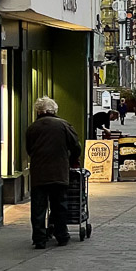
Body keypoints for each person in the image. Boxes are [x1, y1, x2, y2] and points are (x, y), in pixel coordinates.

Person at [26, 96, 81, 249]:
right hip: (59, 172)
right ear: (54, 110)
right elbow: (76, 146)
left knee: (38, 208)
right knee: (59, 205)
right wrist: (71, 159)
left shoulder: (32, 128)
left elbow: (29, 149)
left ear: (38, 111)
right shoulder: (63, 125)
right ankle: (61, 235)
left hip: (39, 173)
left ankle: (39, 238)